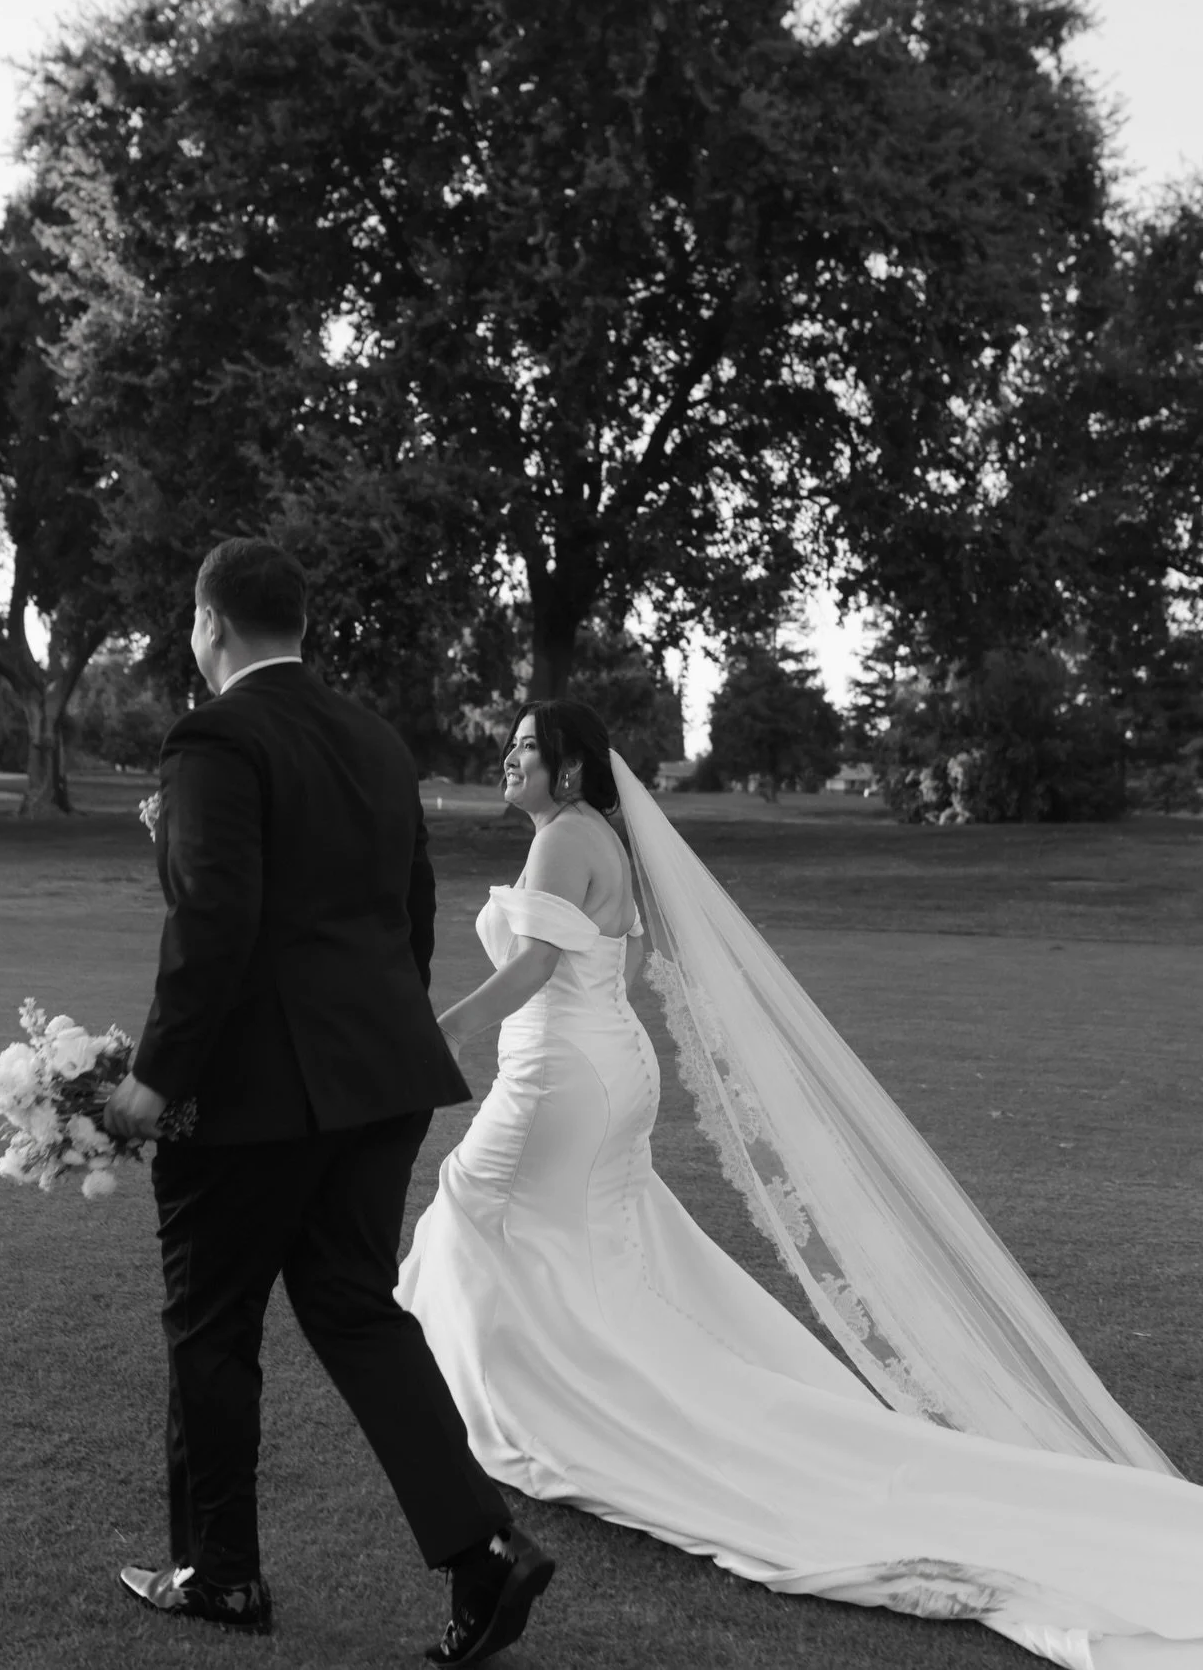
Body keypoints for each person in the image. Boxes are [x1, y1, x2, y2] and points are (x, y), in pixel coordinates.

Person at [396, 698, 1203, 1670]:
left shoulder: (563, 838)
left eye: (531, 745)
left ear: (570, 770)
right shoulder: (599, 833)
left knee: (470, 1205)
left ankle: (522, 1404)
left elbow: (532, 968)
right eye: (514, 740)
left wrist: (440, 1030)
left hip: (559, 1077)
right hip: (610, 1069)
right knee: (572, 1243)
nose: (511, 755)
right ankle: (546, 1384)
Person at [102, 538, 554, 1665]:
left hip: (258, 1096)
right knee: (355, 1307)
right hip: (382, 1074)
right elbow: (409, 912)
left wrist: (155, 1080)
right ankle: (481, 1554)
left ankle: (222, 1576)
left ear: (207, 625)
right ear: (299, 622)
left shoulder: (211, 735)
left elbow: (216, 923)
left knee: (211, 1325)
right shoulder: (373, 738)